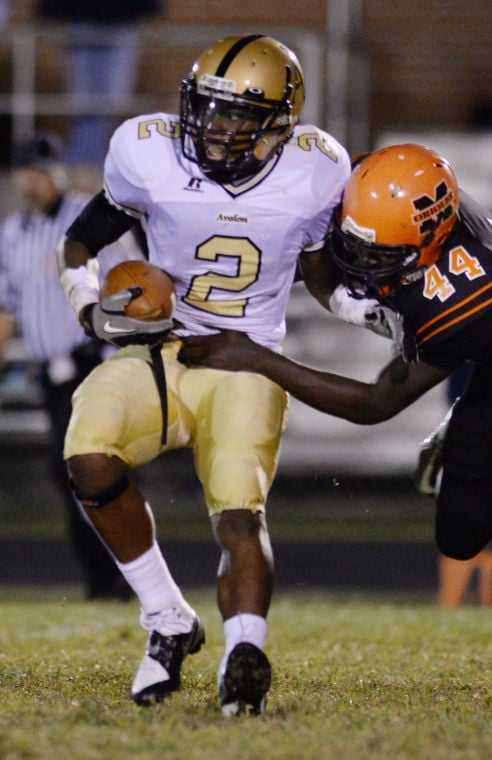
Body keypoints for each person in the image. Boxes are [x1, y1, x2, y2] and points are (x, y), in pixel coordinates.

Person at [178, 143, 492, 719]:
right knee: (459, 537)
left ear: (427, 240)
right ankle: (462, 429)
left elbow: (378, 402)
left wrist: (258, 358)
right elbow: (349, 268)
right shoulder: (410, 199)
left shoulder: (465, 302)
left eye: (381, 254)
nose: (362, 259)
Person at [55, 34, 382, 715]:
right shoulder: (148, 153)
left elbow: (321, 277)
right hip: (164, 348)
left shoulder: (314, 172)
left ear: (278, 125)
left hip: (245, 359)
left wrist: (362, 308)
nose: (213, 127)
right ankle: (168, 619)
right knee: (86, 452)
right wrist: (89, 307)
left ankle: (243, 653)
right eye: (205, 108)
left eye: (236, 115)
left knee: (237, 510)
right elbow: (81, 238)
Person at [0, 132, 139, 599]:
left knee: (88, 470)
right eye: (26, 173)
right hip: (51, 377)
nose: (33, 183)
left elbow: (132, 281)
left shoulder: (88, 216)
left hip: (92, 366)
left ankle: (118, 577)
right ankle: (107, 579)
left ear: (60, 170)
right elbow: (6, 308)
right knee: (75, 477)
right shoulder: (13, 233)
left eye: (41, 172)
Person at [35, 0, 163, 169]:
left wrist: (150, 10)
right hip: (81, 26)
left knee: (114, 100)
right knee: (82, 99)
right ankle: (85, 156)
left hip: (121, 27)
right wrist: (48, 12)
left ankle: (96, 157)